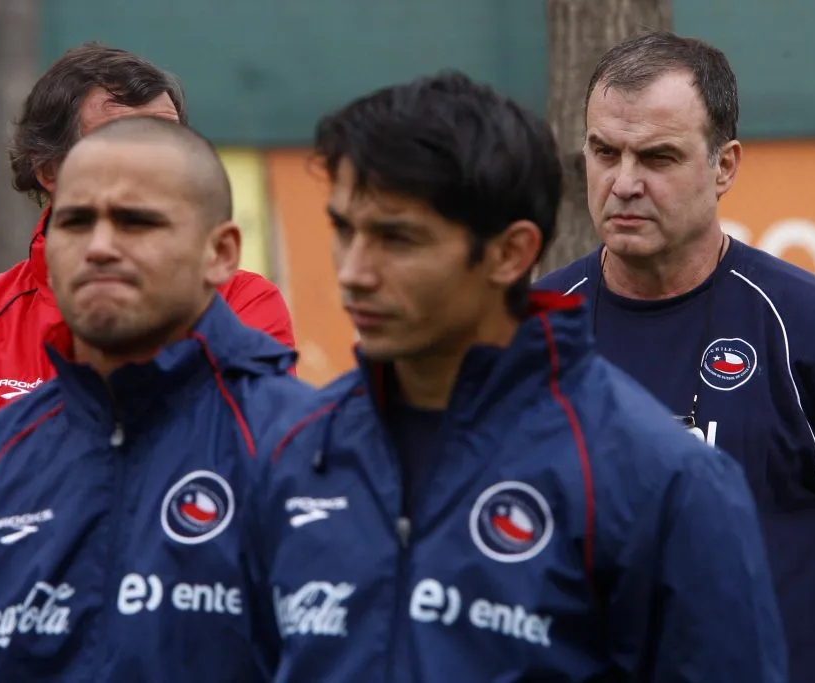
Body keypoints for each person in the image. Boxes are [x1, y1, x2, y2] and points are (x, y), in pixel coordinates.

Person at [245, 70, 787, 682]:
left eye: (398, 239)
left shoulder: (659, 476)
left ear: (510, 253)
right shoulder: (293, 450)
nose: (355, 272)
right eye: (345, 230)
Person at [536, 31, 815, 683]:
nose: (624, 182)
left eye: (658, 157)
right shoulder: (525, 332)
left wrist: (793, 648)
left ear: (724, 166)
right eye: (604, 151)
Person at [0, 116, 315, 682]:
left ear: (220, 253)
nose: (99, 247)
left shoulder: (318, 454)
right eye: (75, 222)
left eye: (135, 221)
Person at [0, 42, 296, 502]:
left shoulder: (241, 302)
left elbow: (243, 486)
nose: (153, 168)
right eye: (121, 145)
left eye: (166, 144)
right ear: (51, 170)